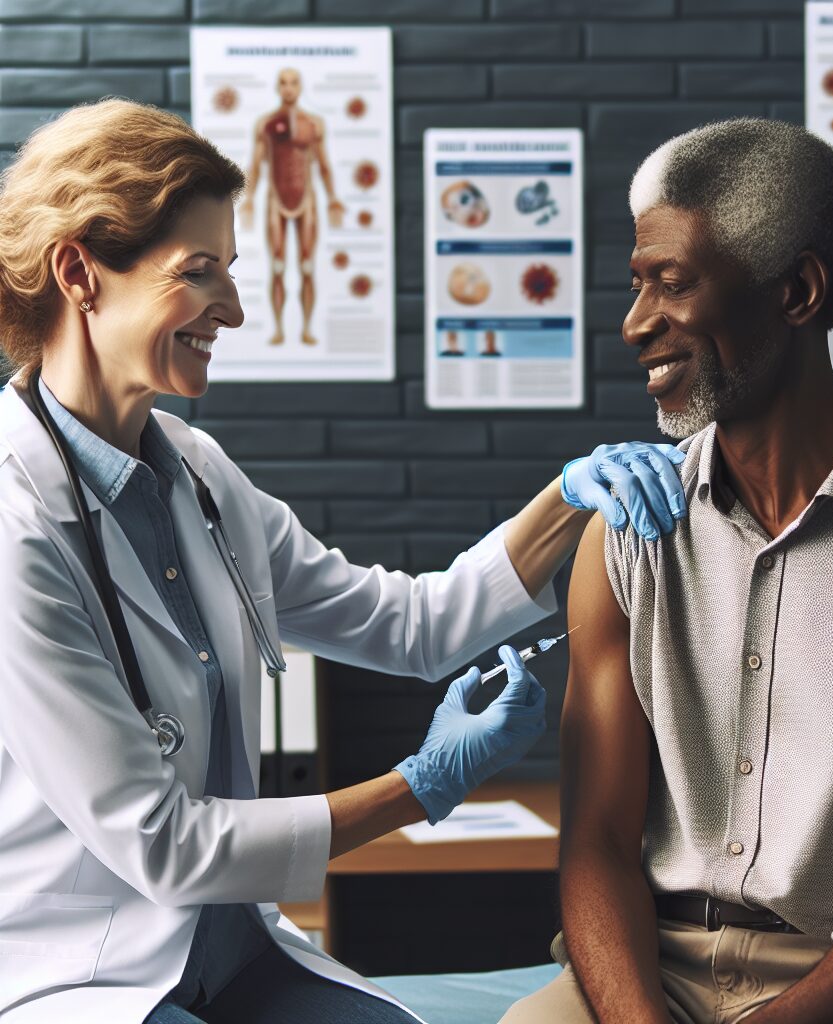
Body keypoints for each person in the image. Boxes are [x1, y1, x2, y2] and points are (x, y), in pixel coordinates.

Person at [0, 98, 687, 1024]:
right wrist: (421, 786)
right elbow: (163, 845)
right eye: (199, 274)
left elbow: (407, 624)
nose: (233, 309)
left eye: (231, 273)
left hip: (232, 943)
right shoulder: (17, 529)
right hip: (91, 968)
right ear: (78, 271)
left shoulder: (199, 477)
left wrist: (568, 499)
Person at [503, 118, 833, 1024]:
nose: (634, 325)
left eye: (674, 284)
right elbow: (596, 843)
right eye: (636, 285)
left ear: (799, 293)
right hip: (649, 969)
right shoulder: (628, 529)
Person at [237, 68, 345, 348]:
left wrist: (333, 197)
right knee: (277, 266)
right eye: (283, 83)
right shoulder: (265, 124)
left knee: (308, 267)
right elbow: (255, 165)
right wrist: (248, 198)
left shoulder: (314, 124)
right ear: (277, 87)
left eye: (293, 83)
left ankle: (307, 328)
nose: (288, 88)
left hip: (306, 200)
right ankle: (279, 329)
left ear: (300, 86)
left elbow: (323, 165)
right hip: (276, 200)